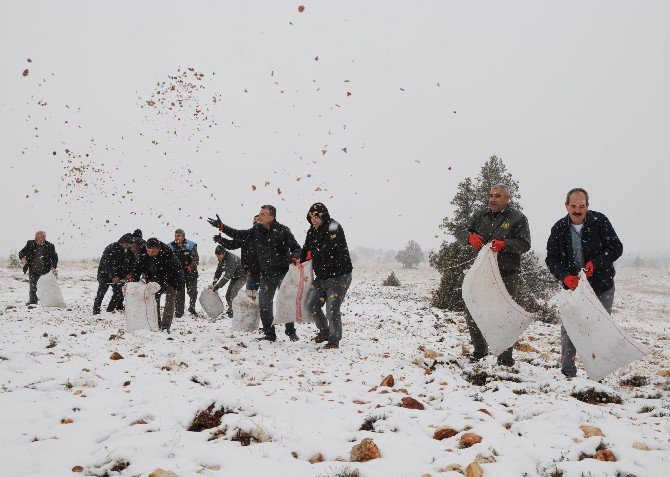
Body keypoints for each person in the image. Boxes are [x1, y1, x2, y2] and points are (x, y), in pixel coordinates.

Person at [546, 188, 623, 378]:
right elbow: (551, 259)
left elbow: (616, 248)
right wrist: (564, 276)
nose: (577, 210)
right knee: (569, 329)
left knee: (599, 329)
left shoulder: (600, 222)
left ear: (588, 206)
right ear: (566, 206)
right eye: (573, 206)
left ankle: (598, 373)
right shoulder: (558, 228)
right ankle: (567, 373)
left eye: (582, 206)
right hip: (572, 288)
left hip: (601, 286)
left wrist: (595, 264)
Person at [455, 184, 531, 366]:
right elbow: (459, 230)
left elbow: (525, 244)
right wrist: (468, 237)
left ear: (507, 199)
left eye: (498, 195)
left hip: (507, 274)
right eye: (491, 195)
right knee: (473, 310)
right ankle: (479, 352)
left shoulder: (517, 218)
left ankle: (505, 359)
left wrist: (505, 244)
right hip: (482, 274)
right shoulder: (480, 215)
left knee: (504, 315)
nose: (493, 199)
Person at [208, 205, 301, 342]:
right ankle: (270, 334)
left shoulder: (283, 230)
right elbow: (239, 234)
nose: (259, 216)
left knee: (285, 302)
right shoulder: (257, 230)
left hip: (282, 273)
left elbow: (296, 247)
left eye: (262, 214)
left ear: (272, 217)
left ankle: (290, 331)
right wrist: (222, 226)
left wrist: (294, 257)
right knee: (264, 305)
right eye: (259, 213)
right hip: (266, 275)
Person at [301, 203, 353, 349]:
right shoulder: (312, 231)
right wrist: (301, 260)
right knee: (310, 305)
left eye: (317, 217)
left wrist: (313, 252)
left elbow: (328, 250)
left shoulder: (334, 227)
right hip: (322, 276)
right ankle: (324, 331)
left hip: (339, 276)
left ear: (323, 216)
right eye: (311, 217)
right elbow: (306, 248)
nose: (314, 220)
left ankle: (334, 340)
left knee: (332, 309)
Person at [128, 238, 185, 333]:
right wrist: (134, 281)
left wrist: (176, 283)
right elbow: (137, 268)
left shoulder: (168, 253)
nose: (150, 253)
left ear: (159, 249)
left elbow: (174, 270)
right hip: (154, 279)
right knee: (154, 299)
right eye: (148, 251)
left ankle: (166, 326)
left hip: (171, 280)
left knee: (169, 301)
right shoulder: (143, 253)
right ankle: (156, 323)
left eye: (153, 251)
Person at [214, 215, 261, 291]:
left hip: (264, 273)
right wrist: (221, 240)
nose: (255, 221)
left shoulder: (266, 236)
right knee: (250, 297)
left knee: (265, 299)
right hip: (251, 274)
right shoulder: (247, 236)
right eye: (254, 220)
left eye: (258, 219)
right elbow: (232, 244)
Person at [93, 233, 134, 315]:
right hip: (105, 274)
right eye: (128, 244)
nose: (128, 246)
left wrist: (126, 275)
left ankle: (110, 309)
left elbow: (123, 265)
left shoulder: (124, 250)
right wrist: (113, 275)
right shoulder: (111, 248)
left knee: (118, 293)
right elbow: (107, 264)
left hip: (117, 277)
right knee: (101, 292)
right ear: (123, 241)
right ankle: (96, 310)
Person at [19, 231, 58, 305]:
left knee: (45, 286)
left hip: (45, 270)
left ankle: (47, 302)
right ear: (35, 237)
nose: (40, 238)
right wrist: (23, 258)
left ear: (44, 237)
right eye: (38, 236)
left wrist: (54, 266)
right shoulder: (30, 244)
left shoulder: (50, 246)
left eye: (41, 237)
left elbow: (54, 257)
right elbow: (22, 252)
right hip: (33, 269)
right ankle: (33, 301)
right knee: (33, 287)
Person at [168, 229, 199, 317]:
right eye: (175, 235)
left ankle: (192, 307)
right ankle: (179, 313)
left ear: (183, 236)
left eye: (179, 236)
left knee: (192, 292)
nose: (177, 237)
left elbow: (195, 260)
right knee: (179, 294)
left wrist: (190, 267)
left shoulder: (191, 245)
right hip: (178, 274)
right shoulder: (170, 246)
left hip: (190, 272)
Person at [212, 245, 247, 317]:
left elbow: (228, 275)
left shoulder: (231, 259)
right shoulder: (221, 259)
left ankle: (232, 311)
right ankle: (233, 309)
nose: (218, 257)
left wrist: (218, 285)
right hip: (234, 277)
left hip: (242, 276)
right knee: (228, 295)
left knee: (234, 291)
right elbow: (219, 270)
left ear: (224, 253)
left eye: (220, 255)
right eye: (217, 256)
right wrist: (215, 280)